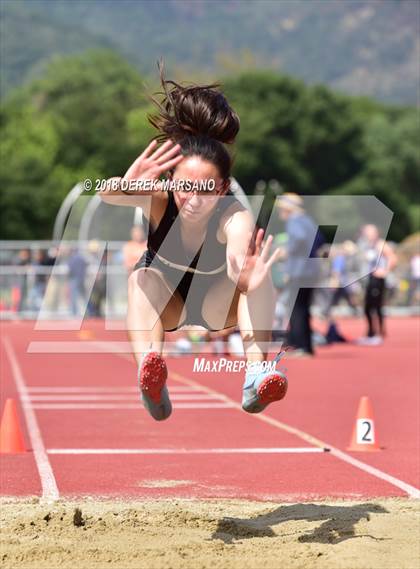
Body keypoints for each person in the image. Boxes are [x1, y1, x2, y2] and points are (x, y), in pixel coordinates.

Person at [99, 65, 287, 420]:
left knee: (257, 277)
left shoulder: (234, 214)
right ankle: (150, 377)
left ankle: (255, 375)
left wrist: (245, 275)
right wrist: (126, 184)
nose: (194, 197)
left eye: (206, 189)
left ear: (223, 188)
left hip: (218, 305)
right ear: (170, 180)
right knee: (139, 278)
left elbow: (237, 248)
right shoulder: (158, 196)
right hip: (168, 303)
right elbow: (109, 194)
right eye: (185, 186)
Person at [277, 193, 323, 357]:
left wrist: (288, 251)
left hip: (299, 271)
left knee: (296, 309)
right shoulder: (308, 220)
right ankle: (306, 345)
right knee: (304, 308)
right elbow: (319, 241)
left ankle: (301, 345)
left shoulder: (294, 220)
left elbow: (300, 238)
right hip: (311, 270)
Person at [357, 224, 397, 345]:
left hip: (378, 279)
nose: (366, 234)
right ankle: (371, 333)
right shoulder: (369, 246)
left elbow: (393, 258)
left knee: (376, 306)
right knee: (367, 307)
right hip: (370, 278)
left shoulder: (381, 244)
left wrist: (385, 271)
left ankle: (378, 333)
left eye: (369, 232)